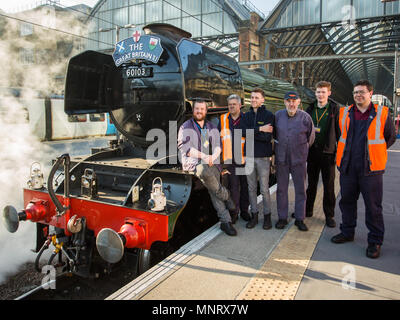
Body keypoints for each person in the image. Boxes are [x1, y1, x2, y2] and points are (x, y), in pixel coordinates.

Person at [331, 80, 396, 259]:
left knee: (373, 206)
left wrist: (376, 152)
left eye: (361, 92)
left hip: (371, 169)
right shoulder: (344, 113)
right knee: (347, 201)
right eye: (355, 92)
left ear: (370, 93)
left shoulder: (382, 113)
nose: (358, 95)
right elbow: (340, 136)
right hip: (348, 166)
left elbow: (390, 137)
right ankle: (347, 232)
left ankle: (375, 241)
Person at [177, 99, 237, 236]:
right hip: (193, 162)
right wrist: (204, 156)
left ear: (206, 111)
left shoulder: (209, 127)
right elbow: (185, 148)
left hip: (210, 162)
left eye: (202, 109)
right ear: (193, 111)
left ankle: (225, 221)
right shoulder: (186, 127)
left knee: (212, 184)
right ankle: (227, 197)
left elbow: (217, 146)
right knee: (205, 171)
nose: (199, 111)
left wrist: (212, 156)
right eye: (197, 109)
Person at [274, 91, 315, 231]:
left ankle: (300, 218)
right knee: (281, 189)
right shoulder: (278, 116)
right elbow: (274, 135)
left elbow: (311, 137)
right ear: (284, 102)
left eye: (294, 101)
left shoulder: (306, 118)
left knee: (301, 189)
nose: (291, 104)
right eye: (288, 101)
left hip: (299, 159)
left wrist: (301, 151)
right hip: (281, 159)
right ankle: (282, 218)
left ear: (298, 102)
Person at [305, 81, 339, 228]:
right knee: (311, 184)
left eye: (323, 92)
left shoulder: (335, 109)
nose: (320, 94)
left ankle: (329, 215)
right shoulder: (311, 108)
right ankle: (308, 210)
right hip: (312, 152)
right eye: (318, 92)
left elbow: (340, 132)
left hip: (328, 153)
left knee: (329, 186)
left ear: (329, 93)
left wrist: (338, 152)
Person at [241, 88, 274, 230]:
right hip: (248, 157)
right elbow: (242, 132)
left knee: (265, 189)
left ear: (262, 100)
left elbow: (268, 138)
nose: (253, 100)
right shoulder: (246, 116)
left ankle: (267, 217)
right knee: (251, 188)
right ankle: (254, 215)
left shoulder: (269, 115)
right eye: (252, 97)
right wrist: (260, 129)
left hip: (263, 158)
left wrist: (252, 132)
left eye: (256, 97)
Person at [218, 94, 251, 224]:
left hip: (244, 160)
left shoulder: (246, 118)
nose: (231, 106)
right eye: (229, 104)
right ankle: (235, 213)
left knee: (245, 186)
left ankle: (244, 211)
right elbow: (215, 136)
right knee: (233, 188)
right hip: (230, 161)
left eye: (234, 104)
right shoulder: (223, 119)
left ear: (240, 105)